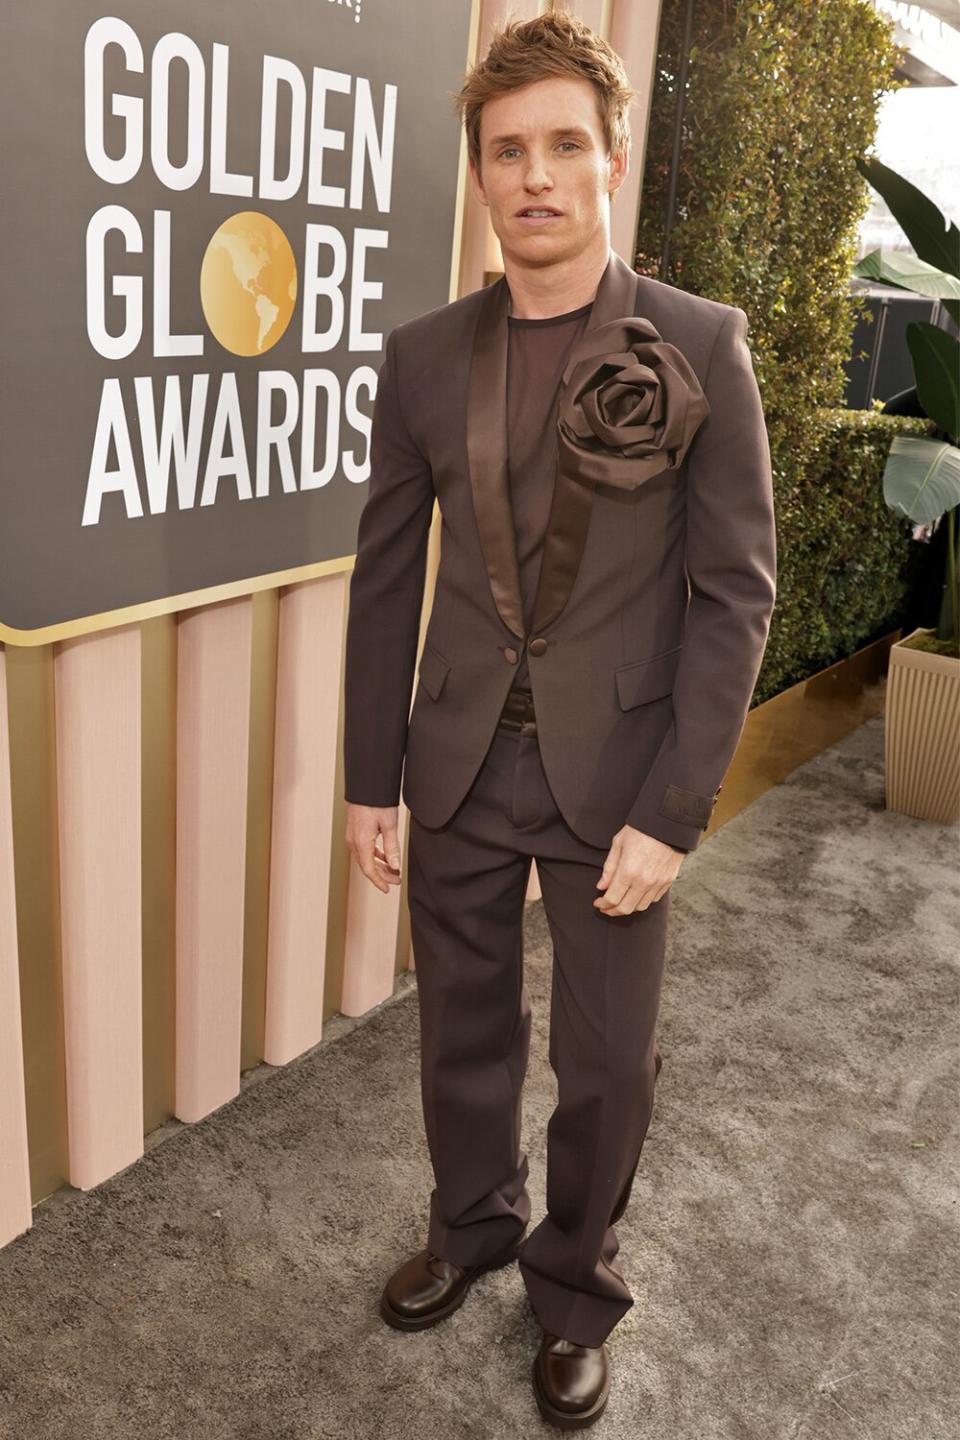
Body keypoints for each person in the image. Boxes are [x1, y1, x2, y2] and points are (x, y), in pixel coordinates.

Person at [343, 12, 776, 1429]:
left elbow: (733, 595)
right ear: (480, 171)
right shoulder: (421, 358)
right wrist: (369, 781)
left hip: (619, 779)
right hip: (459, 757)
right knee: (461, 1028)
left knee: (605, 1061)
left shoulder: (700, 344)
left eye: (563, 146)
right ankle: (470, 1228)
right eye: (507, 151)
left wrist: (674, 806)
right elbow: (385, 582)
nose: (535, 176)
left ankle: (576, 1283)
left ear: (612, 154)